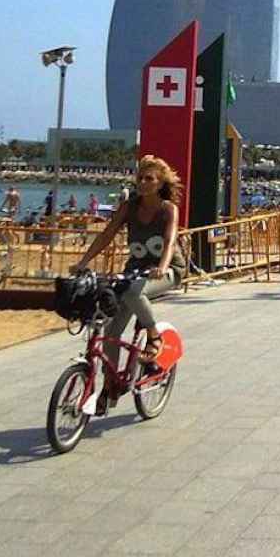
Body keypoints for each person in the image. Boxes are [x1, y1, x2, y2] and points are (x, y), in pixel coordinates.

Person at [73, 155, 180, 410]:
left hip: (167, 270)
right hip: (134, 270)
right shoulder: (129, 206)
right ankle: (111, 384)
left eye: (149, 179)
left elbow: (170, 241)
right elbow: (107, 235)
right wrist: (83, 261)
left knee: (133, 293)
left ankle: (154, 337)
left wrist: (163, 266)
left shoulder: (168, 209)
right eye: (140, 178)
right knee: (110, 332)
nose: (143, 183)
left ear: (160, 182)